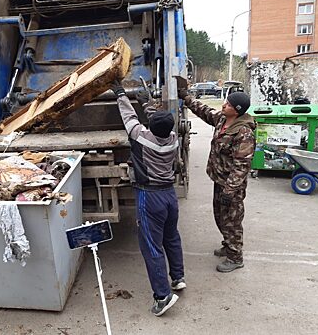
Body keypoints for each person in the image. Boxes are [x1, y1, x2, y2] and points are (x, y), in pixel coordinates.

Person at [110, 81, 185, 316]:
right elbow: (156, 120)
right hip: (169, 195)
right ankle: (178, 277)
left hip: (149, 196)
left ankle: (162, 296)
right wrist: (147, 103)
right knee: (171, 236)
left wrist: (121, 94)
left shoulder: (141, 137)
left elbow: (128, 117)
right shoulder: (172, 138)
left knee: (151, 246)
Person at [179, 90, 256, 273]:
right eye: (225, 102)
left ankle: (235, 257)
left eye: (228, 104)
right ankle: (228, 245)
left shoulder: (243, 132)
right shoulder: (222, 119)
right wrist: (187, 98)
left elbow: (242, 165)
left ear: (236, 111)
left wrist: (230, 191)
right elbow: (204, 111)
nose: (223, 105)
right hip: (219, 179)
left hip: (231, 186)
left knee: (232, 220)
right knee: (220, 216)